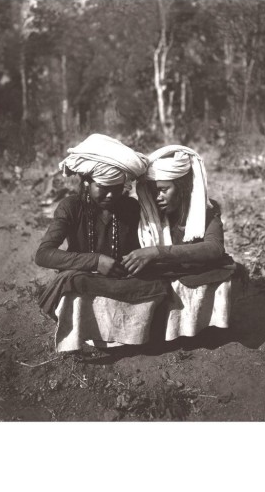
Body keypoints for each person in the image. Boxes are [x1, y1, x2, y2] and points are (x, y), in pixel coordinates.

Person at [35, 134, 168, 352]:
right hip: (86, 279)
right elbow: (43, 254)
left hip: (122, 279)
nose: (110, 195)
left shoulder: (130, 207)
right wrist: (95, 261)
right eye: (103, 187)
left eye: (117, 188)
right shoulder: (71, 207)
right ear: (87, 182)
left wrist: (138, 260)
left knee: (159, 284)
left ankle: (130, 334)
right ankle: (86, 333)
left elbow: (144, 244)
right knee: (73, 284)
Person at [122, 145, 238, 341]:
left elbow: (214, 248)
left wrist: (157, 252)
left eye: (163, 190)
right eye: (153, 191)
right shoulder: (148, 213)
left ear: (182, 188)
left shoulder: (205, 210)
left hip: (193, 272)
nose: (157, 197)